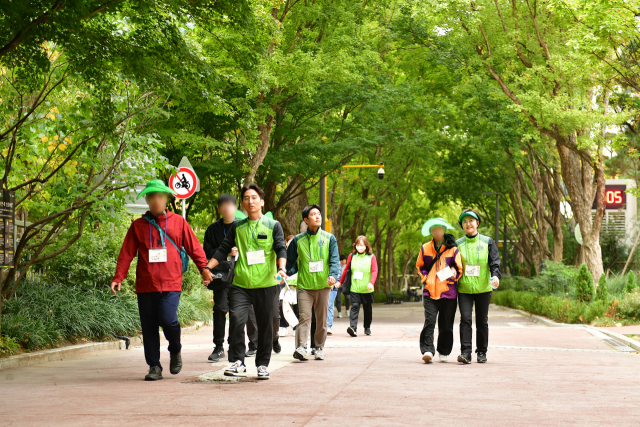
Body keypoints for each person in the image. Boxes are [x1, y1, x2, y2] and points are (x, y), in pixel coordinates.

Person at [111, 180, 213, 381]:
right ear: (147, 200)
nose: (156, 200)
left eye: (160, 196)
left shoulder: (178, 222)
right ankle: (154, 366)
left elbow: (193, 247)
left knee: (168, 319)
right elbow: (126, 253)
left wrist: (204, 268)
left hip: (170, 283)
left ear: (166, 199)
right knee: (149, 327)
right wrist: (118, 276)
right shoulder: (138, 225)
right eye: (152, 197)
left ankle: (175, 349)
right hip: (146, 285)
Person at [206, 184, 287, 380]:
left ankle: (262, 365)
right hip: (240, 284)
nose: (250, 201)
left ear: (261, 201)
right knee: (236, 319)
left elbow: (280, 248)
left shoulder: (273, 225)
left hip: (266, 284)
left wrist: (282, 268)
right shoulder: (237, 226)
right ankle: (237, 362)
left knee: (265, 325)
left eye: (253, 197)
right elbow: (223, 248)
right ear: (242, 203)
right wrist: (208, 267)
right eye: (246, 198)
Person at [202, 194, 259, 362]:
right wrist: (227, 252)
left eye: (230, 205)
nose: (227, 208)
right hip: (220, 277)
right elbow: (207, 252)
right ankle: (219, 347)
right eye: (223, 205)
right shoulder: (212, 230)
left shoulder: (243, 227)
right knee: (219, 310)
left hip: (241, 276)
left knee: (245, 312)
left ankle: (253, 344)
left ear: (236, 207)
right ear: (219, 209)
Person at [286, 205, 340, 361]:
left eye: (319, 214)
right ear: (306, 220)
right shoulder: (297, 240)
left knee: (322, 321)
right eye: (313, 214)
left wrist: (332, 275)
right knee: (304, 317)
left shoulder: (330, 238)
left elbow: (334, 260)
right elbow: (291, 262)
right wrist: (285, 272)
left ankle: (318, 347)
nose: (317, 217)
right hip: (304, 286)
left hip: (323, 286)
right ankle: (301, 347)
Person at [456, 208, 501, 364]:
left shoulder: (487, 242)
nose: (468, 224)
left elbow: (494, 262)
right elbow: (453, 266)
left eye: (471, 221)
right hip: (464, 289)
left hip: (483, 288)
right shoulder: (457, 244)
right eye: (465, 222)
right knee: (466, 319)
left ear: (477, 223)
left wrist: (495, 276)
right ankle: (465, 353)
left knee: (482, 321)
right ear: (462, 226)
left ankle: (481, 352)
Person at [416, 218, 463, 364]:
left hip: (448, 292)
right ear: (431, 231)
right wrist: (425, 278)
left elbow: (459, 268)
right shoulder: (425, 248)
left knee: (446, 324)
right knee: (430, 321)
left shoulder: (453, 249)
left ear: (444, 230)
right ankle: (427, 350)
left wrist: (454, 272)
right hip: (430, 291)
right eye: (434, 229)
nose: (437, 232)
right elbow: (420, 266)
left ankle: (444, 351)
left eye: (440, 229)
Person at [339, 236, 378, 337]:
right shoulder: (352, 256)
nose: (359, 247)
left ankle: (367, 327)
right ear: (355, 246)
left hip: (367, 288)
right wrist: (340, 282)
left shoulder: (371, 257)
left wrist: (371, 282)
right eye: (357, 245)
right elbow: (346, 270)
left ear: (366, 246)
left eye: (361, 245)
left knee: (367, 309)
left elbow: (374, 271)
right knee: (355, 306)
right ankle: (353, 328)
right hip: (355, 288)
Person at [326, 254, 347, 334]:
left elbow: (339, 274)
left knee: (329, 305)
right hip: (321, 286)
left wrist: (333, 282)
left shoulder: (335, 259)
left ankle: (328, 326)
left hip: (333, 287)